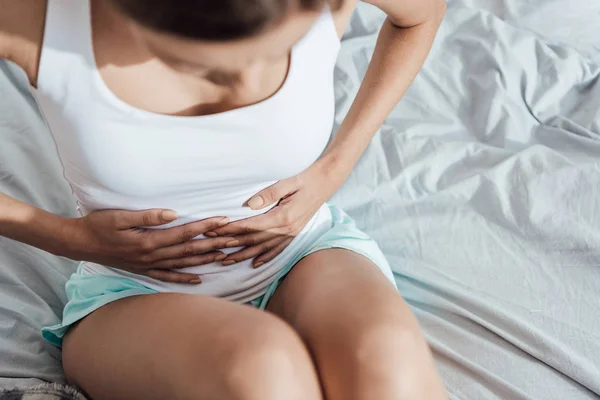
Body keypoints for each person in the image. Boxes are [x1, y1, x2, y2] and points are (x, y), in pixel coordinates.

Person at [0, 0, 448, 398]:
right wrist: (63, 235)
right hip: (132, 293)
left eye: (267, 54)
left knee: (389, 362)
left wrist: (336, 164)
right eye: (202, 68)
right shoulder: (40, 18)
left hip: (301, 254)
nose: (243, 83)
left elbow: (421, 15)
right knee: (263, 371)